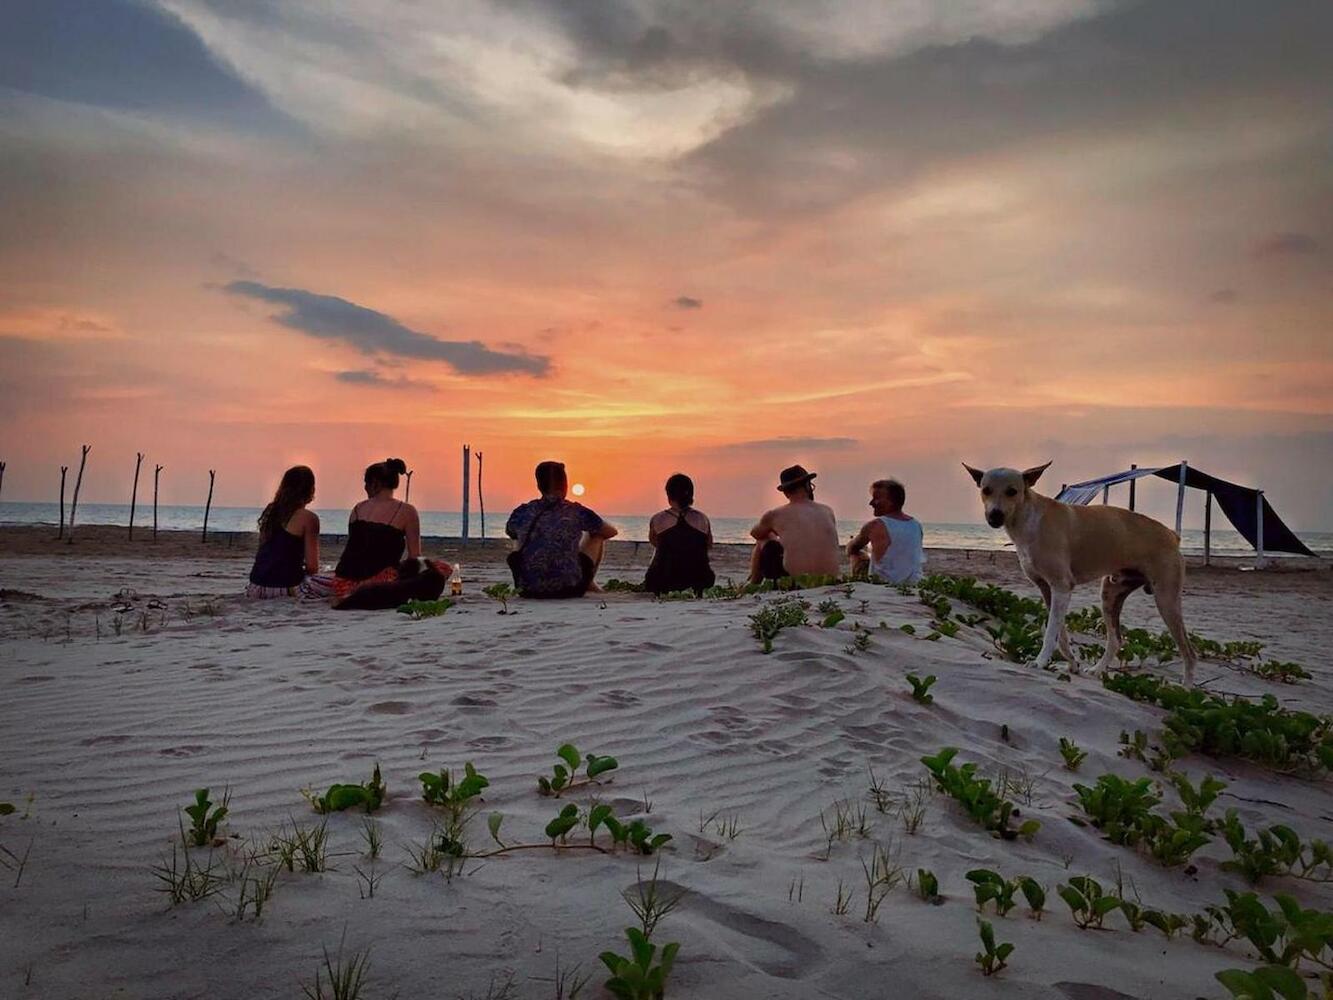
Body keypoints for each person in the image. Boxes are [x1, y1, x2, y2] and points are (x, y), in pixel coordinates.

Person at [305, 458, 446, 602]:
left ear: (375, 484)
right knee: (441, 568)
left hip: (342, 582)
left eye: (366, 484)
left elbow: (357, 549)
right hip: (378, 581)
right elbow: (415, 556)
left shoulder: (358, 509)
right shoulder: (408, 511)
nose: (365, 488)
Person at [505, 460, 618, 598]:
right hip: (569, 589)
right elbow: (610, 532)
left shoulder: (522, 512)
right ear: (565, 485)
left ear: (539, 486)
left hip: (527, 590)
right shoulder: (576, 511)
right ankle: (589, 583)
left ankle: (532, 577)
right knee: (597, 535)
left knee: (518, 537)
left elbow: (510, 531)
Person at [749, 465, 841, 583]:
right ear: (808, 486)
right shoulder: (828, 510)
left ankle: (753, 584)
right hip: (830, 581)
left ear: (786, 493)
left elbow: (755, 533)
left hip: (798, 582)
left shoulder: (775, 515)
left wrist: (774, 534)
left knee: (763, 539)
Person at [246, 465, 321, 598]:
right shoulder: (309, 518)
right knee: (334, 582)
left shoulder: (271, 512)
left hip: (255, 586)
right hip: (287, 587)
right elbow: (312, 567)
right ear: (310, 490)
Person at [643, 473, 716, 596]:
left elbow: (654, 542)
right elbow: (708, 545)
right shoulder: (702, 518)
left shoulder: (658, 519)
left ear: (668, 495)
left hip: (662, 580)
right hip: (698, 580)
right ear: (691, 494)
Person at [847, 478, 925, 584]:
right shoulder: (916, 525)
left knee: (855, 554)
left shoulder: (875, 525)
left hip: (884, 584)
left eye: (876, 498)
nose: (871, 503)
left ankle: (856, 584)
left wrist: (852, 545)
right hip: (914, 583)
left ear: (891, 501)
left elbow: (853, 548)